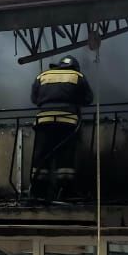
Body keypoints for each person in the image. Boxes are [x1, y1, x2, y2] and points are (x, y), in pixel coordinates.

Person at [29, 54, 93, 200]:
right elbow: (88, 99)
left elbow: (34, 99)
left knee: (41, 156)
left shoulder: (43, 75)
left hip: (44, 121)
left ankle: (38, 192)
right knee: (65, 157)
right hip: (67, 122)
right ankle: (64, 192)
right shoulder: (77, 76)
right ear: (74, 67)